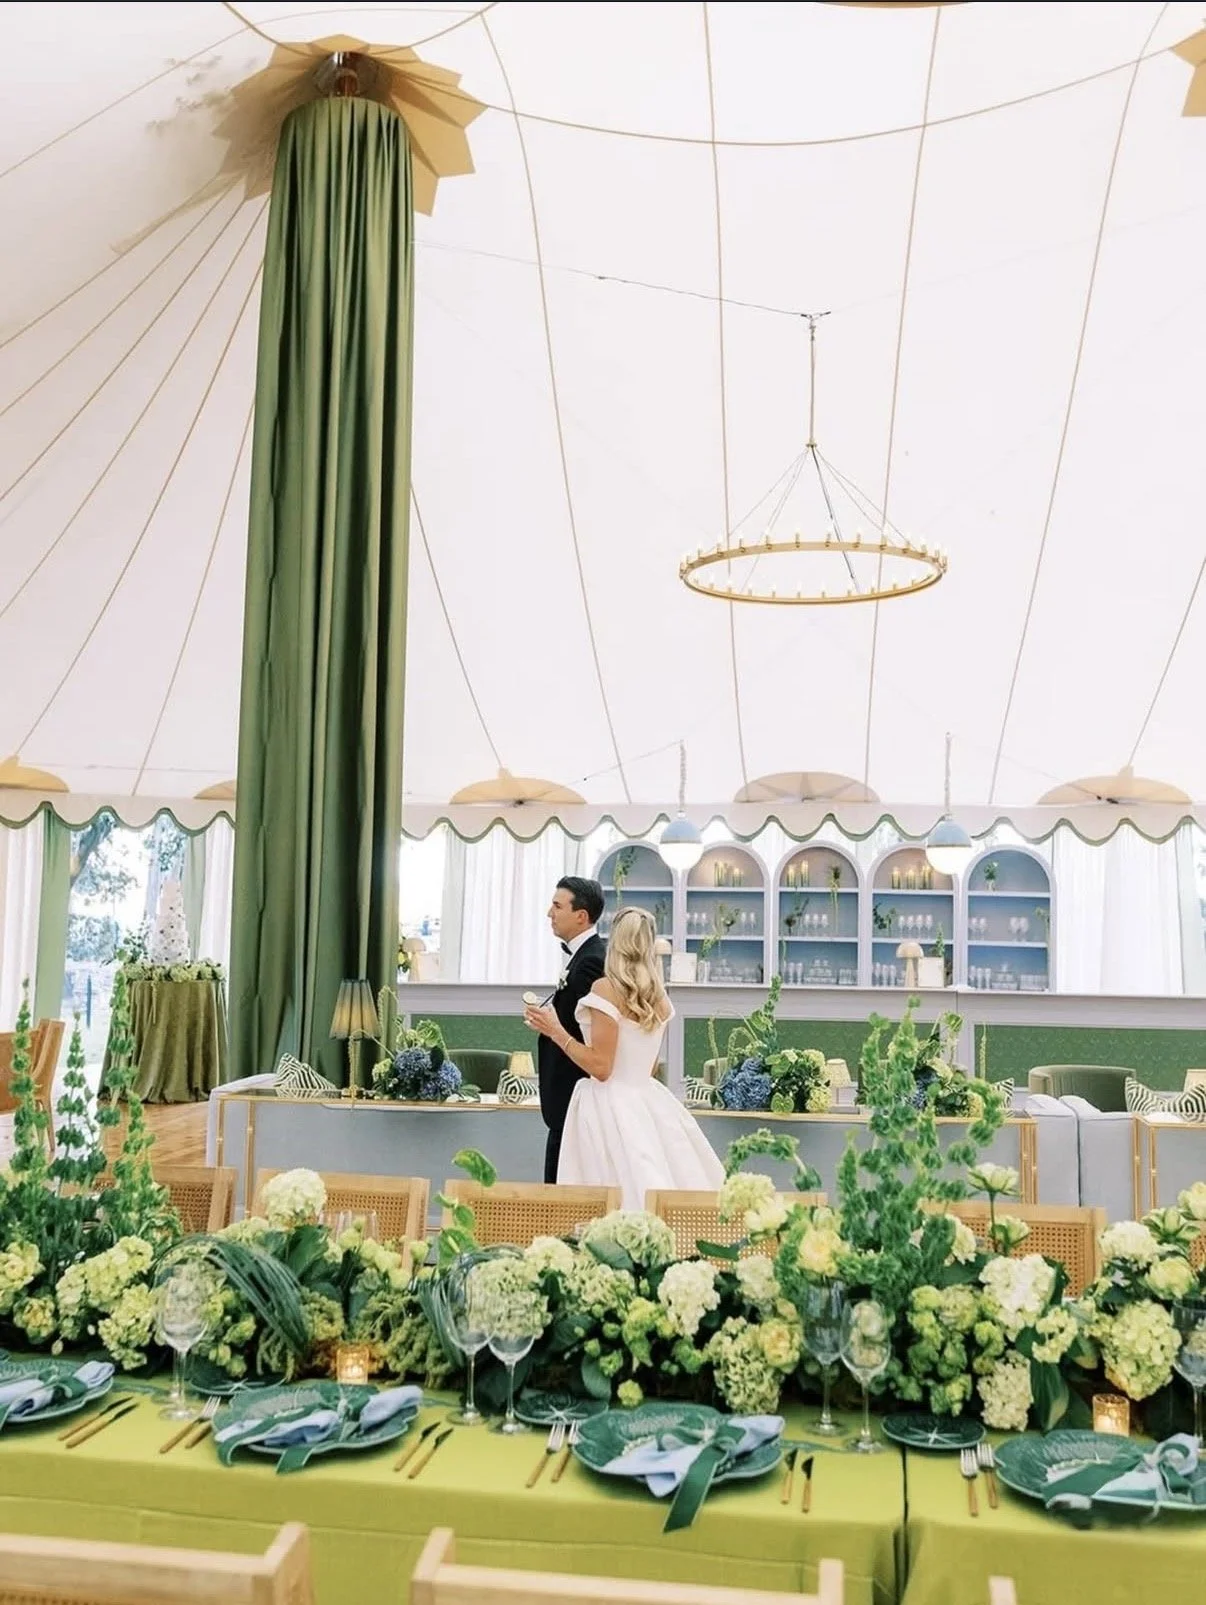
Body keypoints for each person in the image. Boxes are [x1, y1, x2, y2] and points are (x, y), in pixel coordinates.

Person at [525, 906, 724, 1210]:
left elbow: (601, 1067)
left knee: (605, 1196)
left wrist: (556, 1031)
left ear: (615, 940)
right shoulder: (659, 995)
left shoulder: (605, 989)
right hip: (648, 1100)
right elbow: (652, 1066)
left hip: (606, 1104)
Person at [534, 877, 607, 1183]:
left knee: (561, 1187)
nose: (550, 913)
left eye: (557, 905)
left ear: (581, 915)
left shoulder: (590, 961)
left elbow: (583, 1032)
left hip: (572, 1093)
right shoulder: (583, 955)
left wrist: (552, 1027)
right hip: (566, 1096)